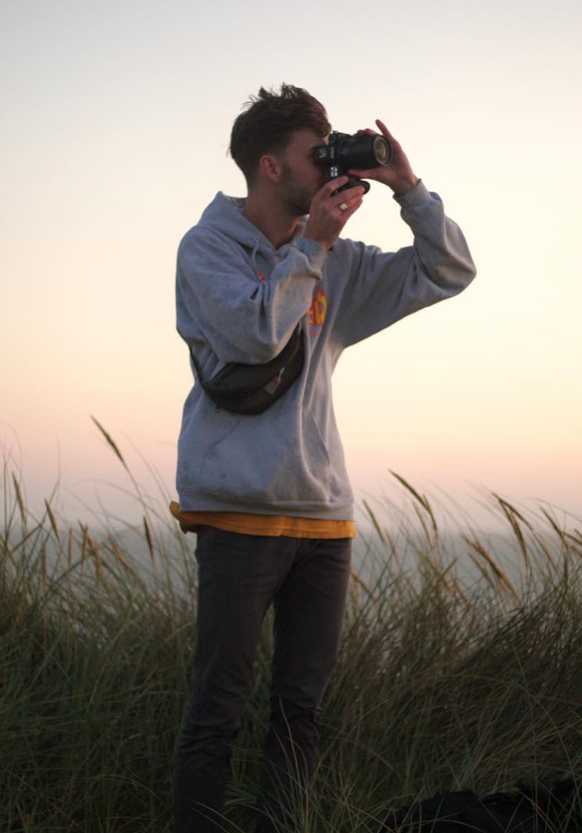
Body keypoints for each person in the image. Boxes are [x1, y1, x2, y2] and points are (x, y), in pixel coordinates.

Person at [170, 84, 476, 832]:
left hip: (323, 523)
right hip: (239, 515)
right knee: (218, 709)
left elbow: (448, 271)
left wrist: (409, 189)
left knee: (300, 713)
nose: (332, 162)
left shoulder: (334, 262)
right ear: (271, 167)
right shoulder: (207, 249)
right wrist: (311, 244)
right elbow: (253, 337)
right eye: (319, 153)